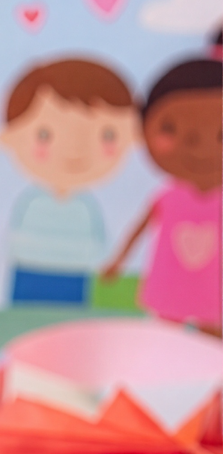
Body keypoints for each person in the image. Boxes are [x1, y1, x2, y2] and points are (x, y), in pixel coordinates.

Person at [103, 34, 222, 334]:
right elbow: (139, 228)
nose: (201, 149)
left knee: (212, 333)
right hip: (171, 285)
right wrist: (117, 261)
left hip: (213, 288)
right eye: (172, 130)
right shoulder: (168, 197)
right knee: (165, 335)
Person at [0, 58, 138, 306]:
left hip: (74, 277)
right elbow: (13, 240)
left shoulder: (85, 206)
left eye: (106, 135)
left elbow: (98, 243)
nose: (75, 149)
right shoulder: (31, 202)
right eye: (44, 135)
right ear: (10, 137)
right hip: (29, 274)